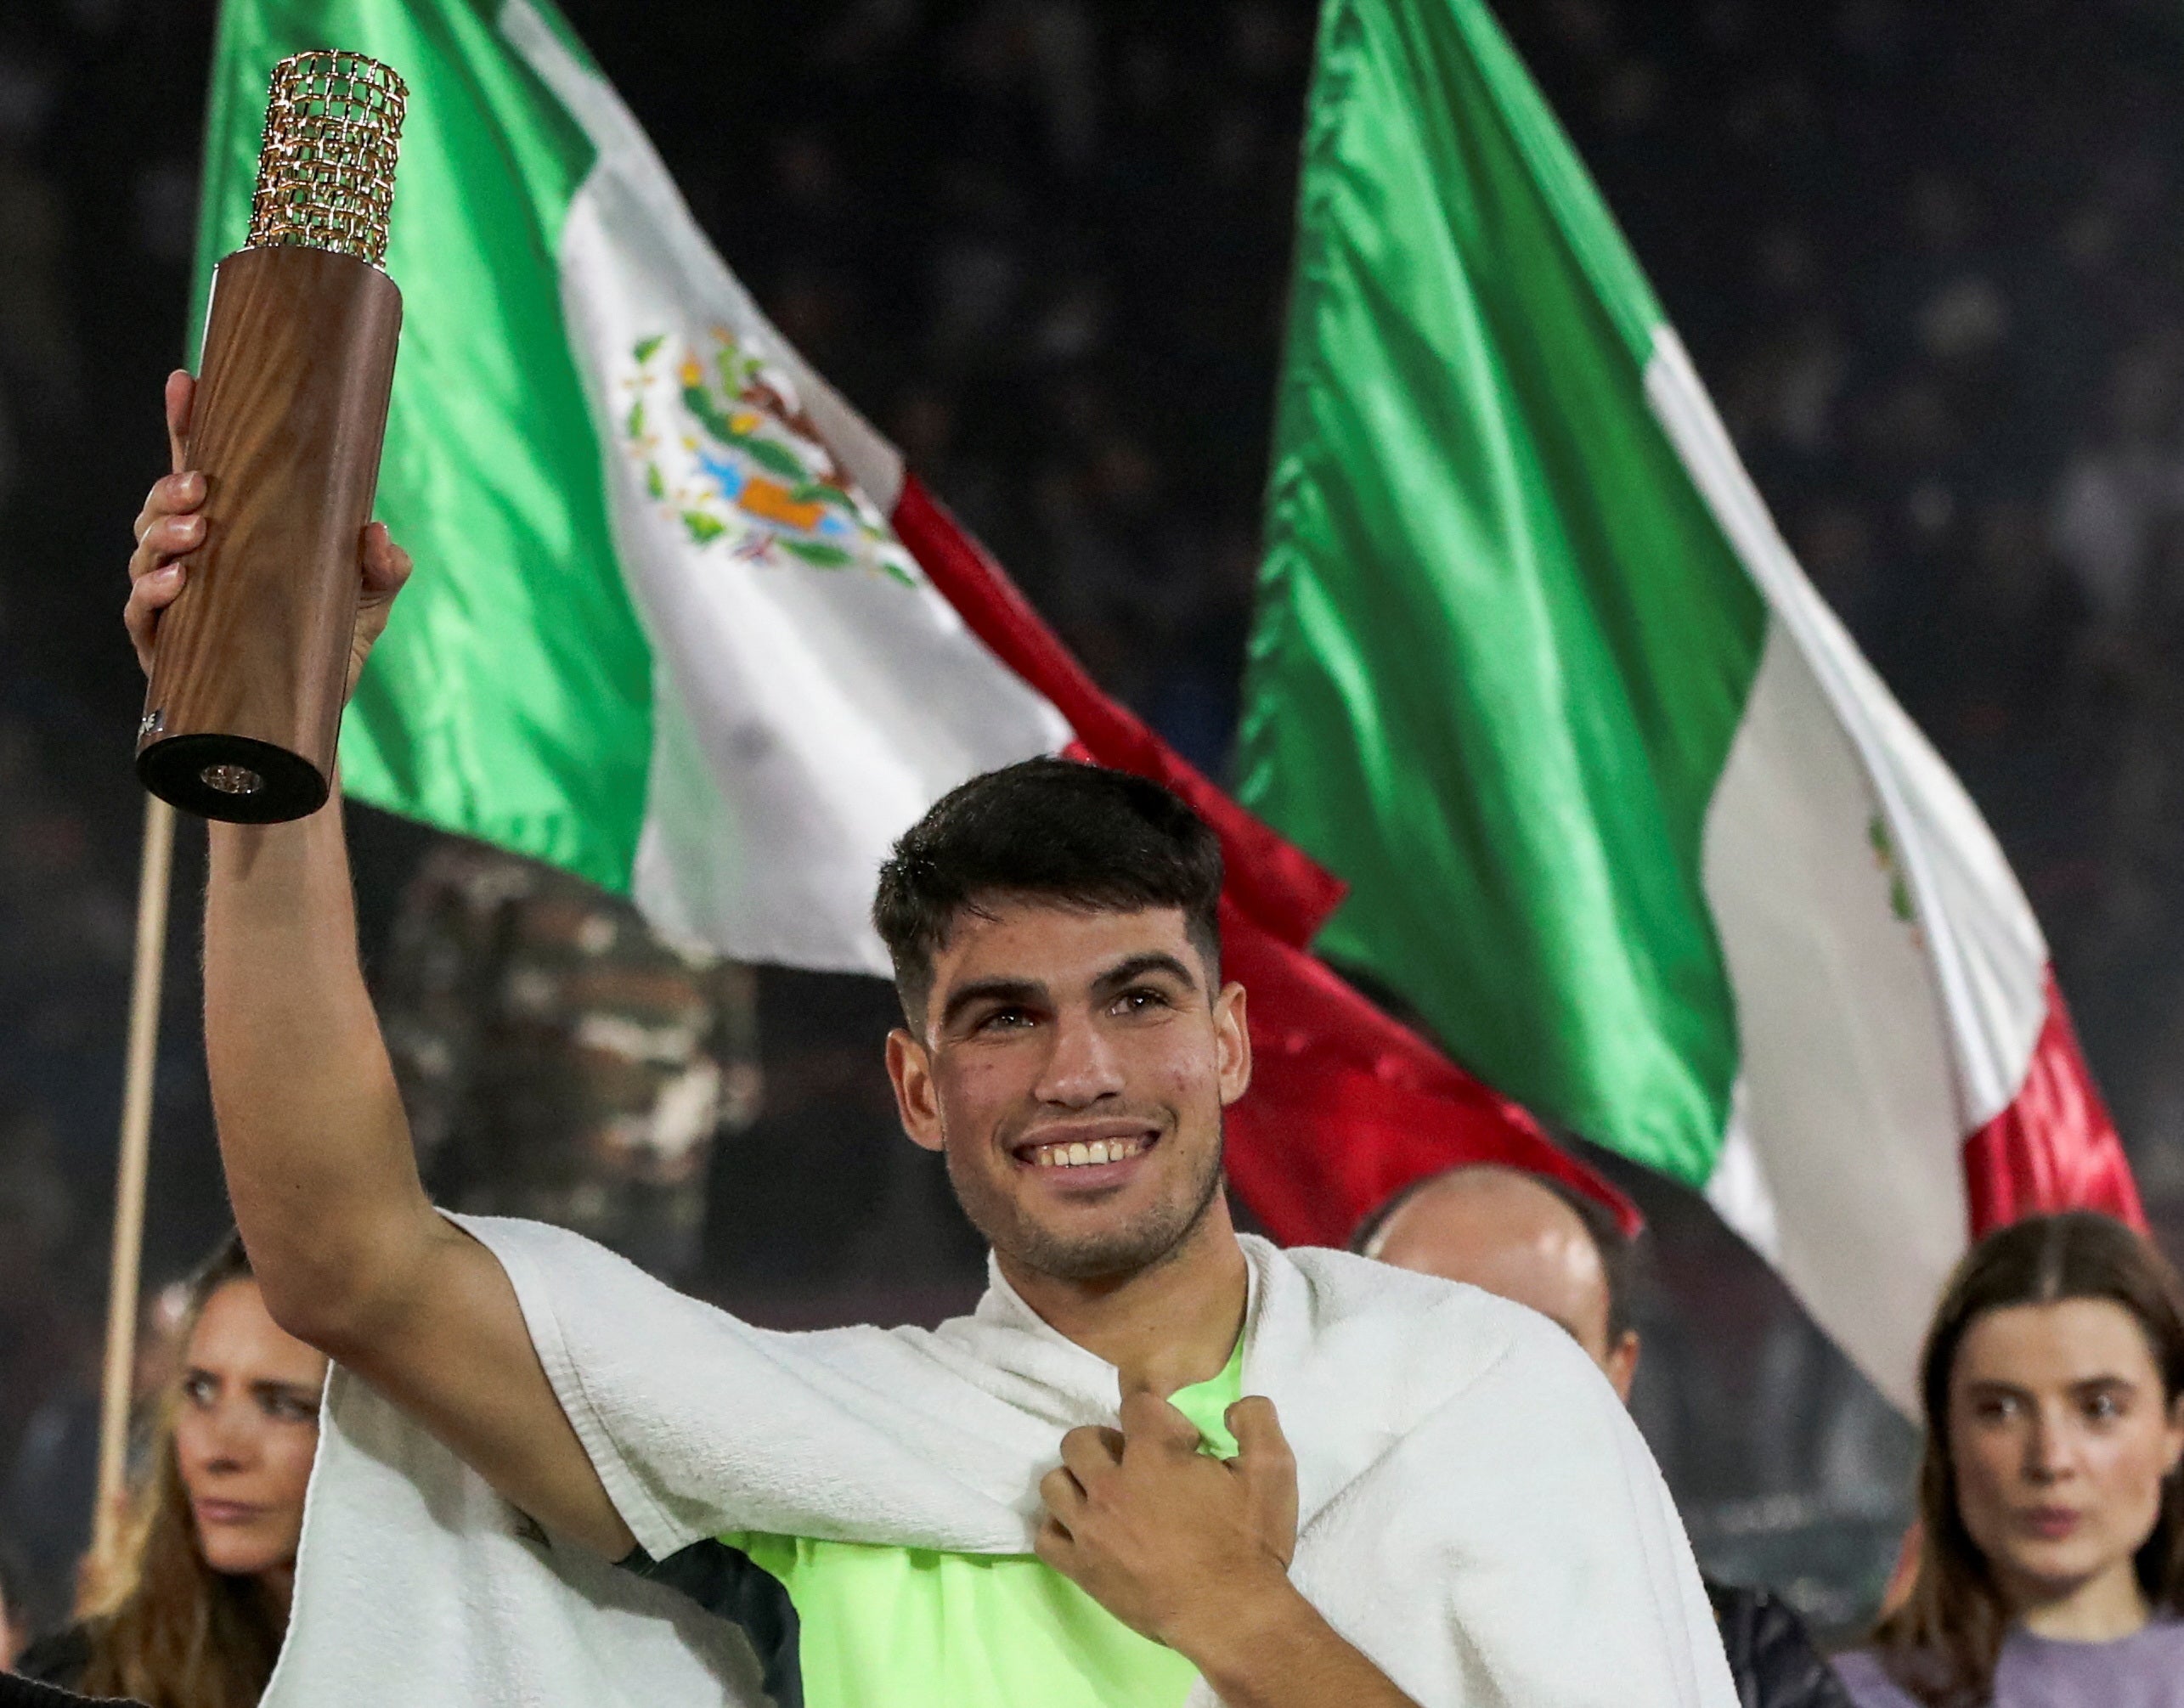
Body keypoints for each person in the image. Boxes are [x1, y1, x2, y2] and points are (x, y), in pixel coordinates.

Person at [124, 372, 1736, 1707]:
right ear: (914, 1085)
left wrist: (1237, 1615)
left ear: (1231, 1041)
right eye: (1002, 1017)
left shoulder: (1475, 1398)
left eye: (1137, 998)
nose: (1079, 1071)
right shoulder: (821, 1460)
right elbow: (345, 1267)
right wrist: (270, 748)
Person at [1360, 1164, 1854, 1708]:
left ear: (1619, 1372)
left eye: (1545, 1345)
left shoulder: (1748, 1663)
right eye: (1434, 1343)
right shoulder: (1266, 1620)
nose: (1487, 1387)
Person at [1831, 1210, 2184, 1707]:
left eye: (2099, 1408)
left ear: (2173, 1427)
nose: (2051, 1459)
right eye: (2000, 1410)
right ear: (1947, 1434)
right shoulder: (1846, 1698)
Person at [13, 1236, 324, 1708]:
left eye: (282, 1405)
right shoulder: (85, 1678)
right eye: (200, 1391)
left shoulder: (451, 1675)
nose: (218, 1450)